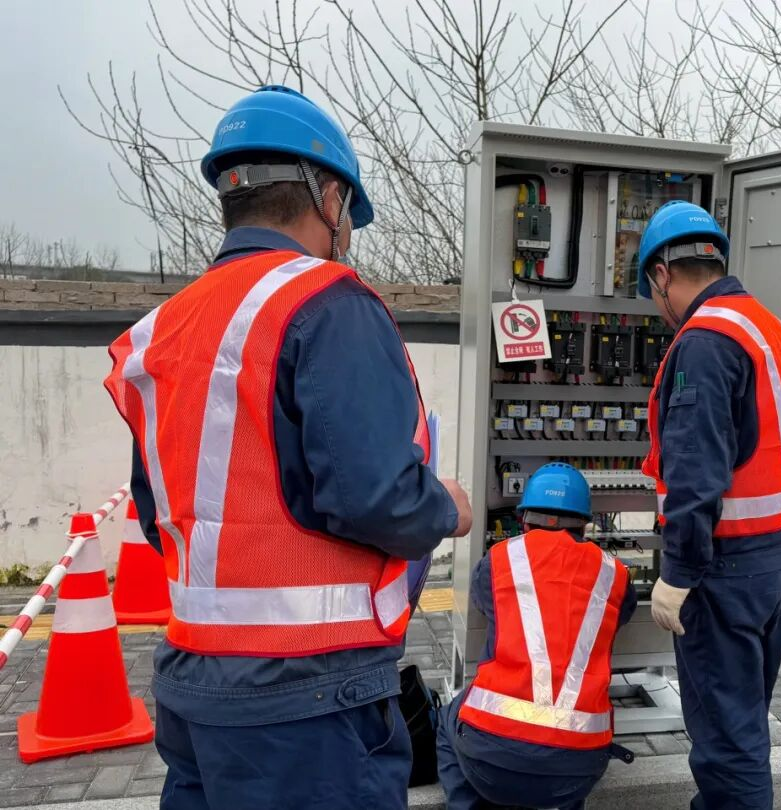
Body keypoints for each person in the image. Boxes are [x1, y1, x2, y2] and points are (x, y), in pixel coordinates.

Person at [102, 85, 473, 810]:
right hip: (309, 698)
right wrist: (447, 507)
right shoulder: (327, 301)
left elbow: (158, 513)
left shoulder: (162, 331)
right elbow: (378, 497)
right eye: (348, 215)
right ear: (330, 198)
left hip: (192, 684)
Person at [637, 201, 781, 809]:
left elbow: (696, 470)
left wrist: (678, 574)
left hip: (724, 570)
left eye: (653, 292)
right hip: (777, 562)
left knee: (727, 743)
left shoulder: (706, 341)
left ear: (663, 274)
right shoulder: (775, 331)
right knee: (742, 718)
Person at [436, 463, 638, 810]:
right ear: (585, 524)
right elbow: (621, 615)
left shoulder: (499, 559)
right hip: (578, 769)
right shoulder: (614, 574)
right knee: (566, 762)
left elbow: (486, 604)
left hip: (491, 760)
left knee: (446, 719)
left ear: (524, 520)